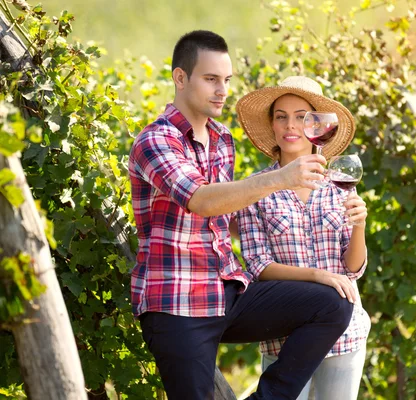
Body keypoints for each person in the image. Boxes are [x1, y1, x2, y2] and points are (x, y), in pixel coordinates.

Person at [127, 31, 354, 400]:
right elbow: (200, 199)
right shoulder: (155, 141)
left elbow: (222, 211)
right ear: (180, 78)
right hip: (178, 303)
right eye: (211, 79)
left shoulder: (222, 140)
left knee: (332, 305)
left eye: (227, 80)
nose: (222, 90)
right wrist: (280, 179)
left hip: (227, 293)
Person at [236, 76, 371, 400]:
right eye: (281, 116)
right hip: (285, 339)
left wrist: (359, 226)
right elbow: (259, 266)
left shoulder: (338, 184)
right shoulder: (256, 188)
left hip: (345, 335)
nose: (289, 125)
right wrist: (317, 276)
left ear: (317, 126)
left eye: (301, 116)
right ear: (272, 124)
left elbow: (351, 270)